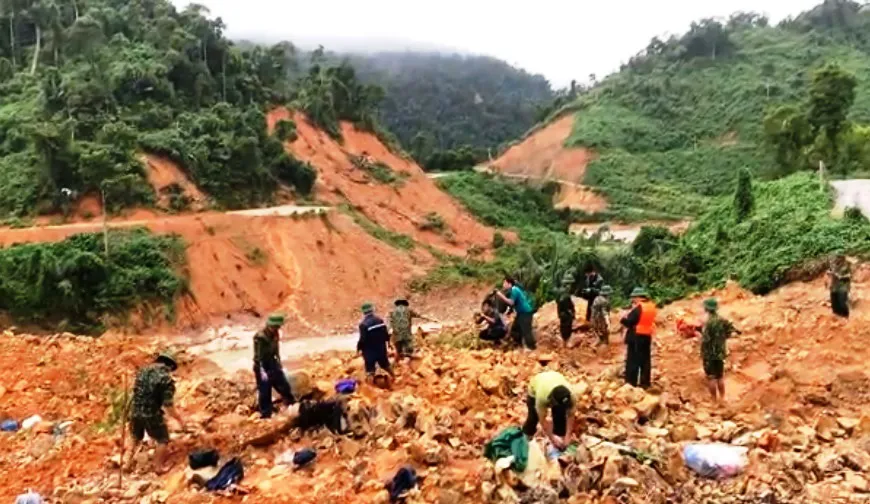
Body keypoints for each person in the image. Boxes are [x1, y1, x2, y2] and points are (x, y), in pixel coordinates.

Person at [128, 352, 185, 473]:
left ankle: (128, 464)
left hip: (135, 411)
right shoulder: (166, 379)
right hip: (151, 414)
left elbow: (135, 393)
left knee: (135, 437)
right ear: (169, 366)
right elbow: (168, 405)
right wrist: (180, 421)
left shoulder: (142, 372)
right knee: (162, 439)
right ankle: (158, 468)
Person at [253, 314, 296, 419]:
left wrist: (279, 362)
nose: (276, 329)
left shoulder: (275, 334)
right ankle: (266, 414)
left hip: (272, 362)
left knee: (283, 385)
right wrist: (263, 372)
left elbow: (276, 349)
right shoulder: (260, 337)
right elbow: (259, 357)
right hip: (262, 365)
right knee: (265, 389)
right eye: (275, 327)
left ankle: (291, 405)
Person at [697, 298, 740, 403]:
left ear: (707, 309)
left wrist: (699, 335)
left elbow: (706, 339)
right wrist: (723, 337)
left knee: (711, 377)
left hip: (709, 353)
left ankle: (714, 400)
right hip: (720, 352)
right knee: (720, 377)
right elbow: (734, 331)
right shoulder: (722, 320)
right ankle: (723, 397)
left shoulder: (708, 323)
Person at [523, 371, 576, 450]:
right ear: (552, 401)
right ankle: (527, 437)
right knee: (533, 417)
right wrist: (552, 438)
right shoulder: (542, 397)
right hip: (537, 386)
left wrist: (568, 436)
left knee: (560, 415)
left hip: (555, 378)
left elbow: (571, 415)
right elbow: (542, 420)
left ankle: (560, 439)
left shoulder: (571, 395)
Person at [620, 287, 656, 388]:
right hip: (647, 336)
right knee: (645, 360)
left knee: (633, 360)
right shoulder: (651, 306)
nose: (633, 300)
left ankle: (631, 382)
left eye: (634, 297)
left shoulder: (638, 308)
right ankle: (645, 383)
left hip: (636, 336)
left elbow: (630, 322)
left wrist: (622, 319)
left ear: (638, 297)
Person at [495, 276, 536, 350]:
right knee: (515, 330)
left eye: (504, 283)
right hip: (521, 313)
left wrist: (501, 295)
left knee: (526, 331)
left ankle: (532, 349)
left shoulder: (515, 290)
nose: (503, 285)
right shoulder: (512, 291)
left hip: (525, 313)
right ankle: (520, 346)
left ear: (509, 283)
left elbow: (511, 302)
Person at [358, 303, 395, 383]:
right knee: (385, 364)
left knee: (370, 370)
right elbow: (386, 334)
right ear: (372, 310)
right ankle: (394, 378)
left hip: (369, 351)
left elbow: (362, 339)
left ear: (363, 312)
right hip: (381, 348)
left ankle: (370, 387)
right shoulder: (380, 320)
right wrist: (389, 344)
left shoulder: (363, 324)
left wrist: (359, 348)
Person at [556, 273, 576, 347]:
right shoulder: (565, 293)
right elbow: (566, 302)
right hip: (565, 312)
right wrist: (570, 312)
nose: (570, 286)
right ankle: (565, 342)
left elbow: (557, 300)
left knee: (563, 326)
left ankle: (564, 342)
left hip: (561, 312)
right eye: (570, 284)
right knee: (567, 327)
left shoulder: (560, 290)